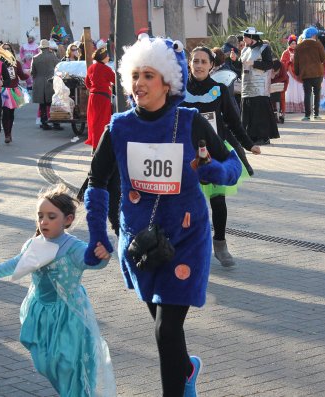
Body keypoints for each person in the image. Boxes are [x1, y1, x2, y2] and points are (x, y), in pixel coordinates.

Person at [84, 36, 242, 396]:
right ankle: (186, 369)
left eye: (149, 75)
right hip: (140, 240)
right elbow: (96, 181)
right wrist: (98, 235)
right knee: (163, 327)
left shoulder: (190, 123)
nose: (139, 83)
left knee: (166, 331)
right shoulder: (119, 127)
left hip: (187, 238)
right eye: (135, 75)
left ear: (168, 82)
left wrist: (211, 170)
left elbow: (232, 163)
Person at [0, 184, 115, 396]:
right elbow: (15, 263)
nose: (44, 221)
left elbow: (90, 261)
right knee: (45, 364)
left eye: (51, 216)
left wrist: (103, 257)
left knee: (67, 364)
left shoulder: (73, 248)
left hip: (68, 314)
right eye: (40, 216)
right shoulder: (33, 244)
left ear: (68, 220)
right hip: (39, 312)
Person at [181, 46, 260, 267]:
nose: (198, 66)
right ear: (189, 63)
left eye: (203, 62)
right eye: (195, 61)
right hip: (187, 154)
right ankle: (191, 247)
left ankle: (220, 244)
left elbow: (234, 121)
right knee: (188, 203)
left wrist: (248, 144)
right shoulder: (178, 90)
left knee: (218, 200)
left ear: (211, 65)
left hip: (215, 151)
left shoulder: (219, 90)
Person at [239, 27, 279, 145]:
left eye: (245, 36)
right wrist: (235, 60)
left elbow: (269, 64)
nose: (243, 38)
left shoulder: (264, 48)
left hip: (260, 87)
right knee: (248, 114)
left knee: (260, 113)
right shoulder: (244, 50)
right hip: (247, 86)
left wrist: (254, 63)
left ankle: (263, 137)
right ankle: (250, 136)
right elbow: (240, 67)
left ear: (252, 37)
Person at [294, 26, 325, 121]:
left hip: (305, 74)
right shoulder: (318, 45)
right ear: (313, 35)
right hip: (317, 73)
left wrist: (297, 72)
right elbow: (323, 58)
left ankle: (307, 115)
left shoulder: (299, 46)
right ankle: (316, 114)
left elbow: (296, 62)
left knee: (307, 94)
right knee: (317, 94)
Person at [84, 46, 115, 147]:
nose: (108, 58)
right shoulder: (106, 69)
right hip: (103, 98)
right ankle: (98, 146)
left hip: (93, 97)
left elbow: (87, 84)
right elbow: (116, 81)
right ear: (103, 57)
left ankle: (94, 143)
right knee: (101, 122)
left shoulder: (91, 68)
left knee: (93, 122)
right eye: (107, 56)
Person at [0, 43, 30, 143]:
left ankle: (9, 132)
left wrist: (29, 74)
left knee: (11, 114)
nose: (6, 50)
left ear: (11, 51)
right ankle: (6, 135)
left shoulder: (16, 63)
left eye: (8, 48)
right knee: (5, 113)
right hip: (2, 90)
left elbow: (21, 76)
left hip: (13, 90)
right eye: (4, 49)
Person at [31, 39, 61, 130]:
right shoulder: (53, 57)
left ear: (41, 48)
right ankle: (56, 123)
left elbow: (33, 72)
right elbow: (58, 68)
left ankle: (44, 123)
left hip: (39, 83)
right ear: (48, 47)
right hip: (51, 82)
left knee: (42, 105)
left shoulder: (35, 58)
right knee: (53, 104)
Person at [281, 34, 305, 114]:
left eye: (295, 43)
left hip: (298, 73)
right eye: (292, 44)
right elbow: (282, 64)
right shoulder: (286, 53)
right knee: (291, 90)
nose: (294, 45)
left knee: (299, 90)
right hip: (290, 74)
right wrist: (289, 61)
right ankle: (290, 108)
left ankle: (300, 108)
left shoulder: (299, 51)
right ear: (289, 44)